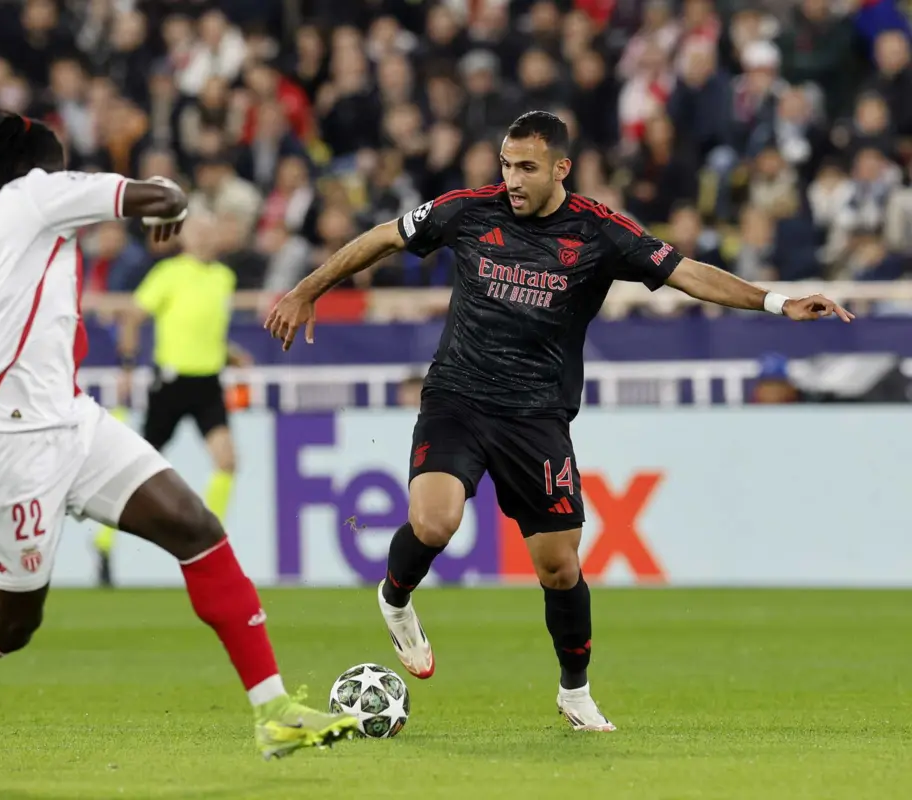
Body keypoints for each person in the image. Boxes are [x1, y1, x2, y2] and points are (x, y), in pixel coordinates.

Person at [265, 111, 853, 732]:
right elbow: (384, 237)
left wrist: (777, 301)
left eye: (527, 167)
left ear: (561, 169)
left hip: (537, 417)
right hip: (458, 398)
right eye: (506, 165)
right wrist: (307, 289)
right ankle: (395, 598)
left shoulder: (600, 231)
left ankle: (575, 693)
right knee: (435, 520)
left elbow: (686, 272)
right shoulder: (468, 210)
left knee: (559, 567)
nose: (512, 179)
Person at [0, 112, 358, 765]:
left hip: (70, 422)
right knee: (6, 626)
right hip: (10, 447)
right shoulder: (36, 194)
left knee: (196, 529)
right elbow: (160, 193)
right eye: (64, 162)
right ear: (45, 164)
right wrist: (171, 206)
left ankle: (274, 712)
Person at [94, 212, 252, 572]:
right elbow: (132, 317)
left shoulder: (223, 277)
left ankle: (213, 545)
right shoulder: (168, 273)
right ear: (184, 238)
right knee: (139, 470)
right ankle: (103, 541)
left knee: (227, 461)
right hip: (170, 383)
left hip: (208, 383)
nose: (204, 238)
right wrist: (127, 366)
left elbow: (205, 330)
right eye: (197, 231)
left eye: (209, 231)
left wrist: (231, 354)